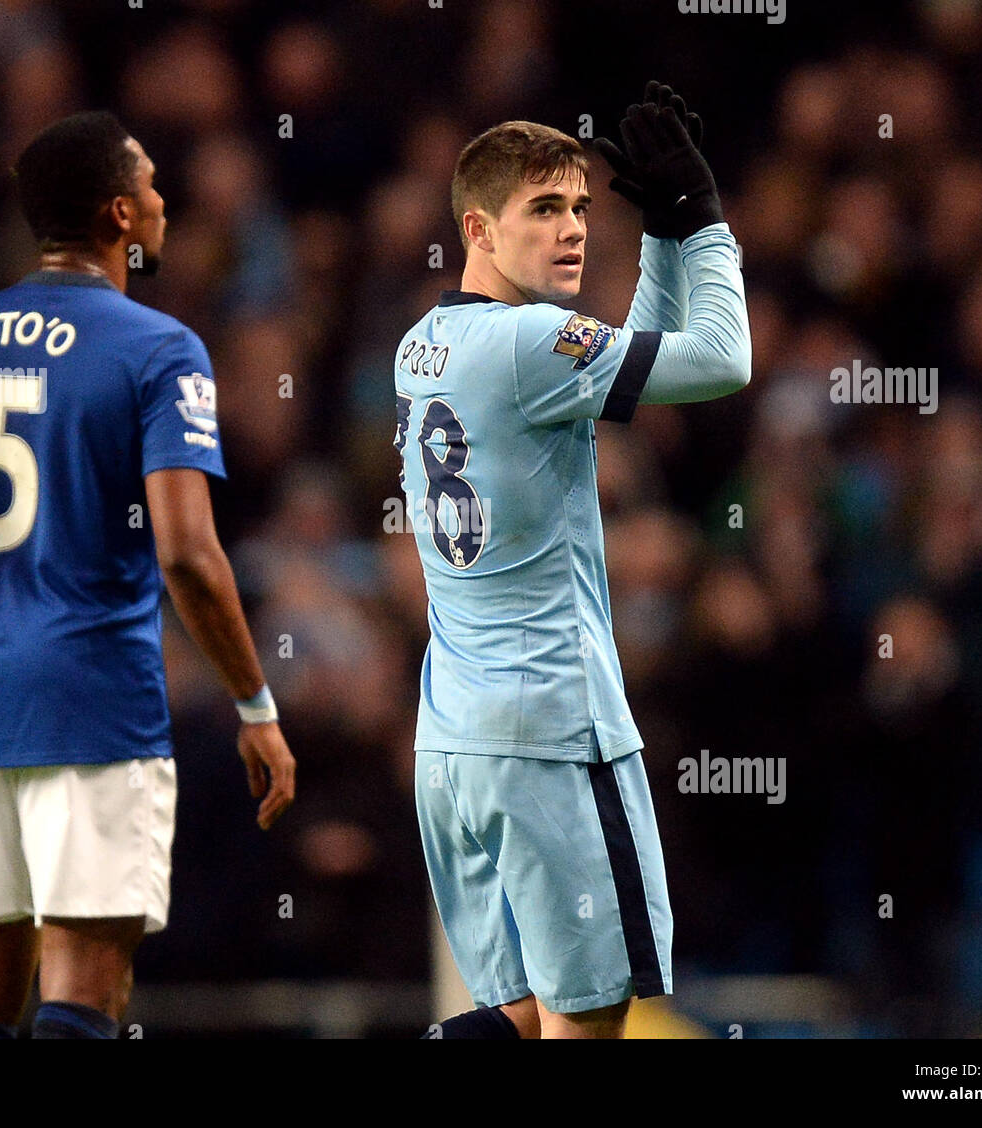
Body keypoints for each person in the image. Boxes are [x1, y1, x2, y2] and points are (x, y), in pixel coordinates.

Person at [0, 111, 295, 1040]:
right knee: (83, 1000)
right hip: (94, 701)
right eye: (149, 183)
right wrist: (255, 704)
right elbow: (186, 550)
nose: (163, 197)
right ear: (119, 215)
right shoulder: (159, 347)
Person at [397, 82, 750, 1039]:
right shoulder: (530, 345)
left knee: (510, 1021)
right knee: (588, 1024)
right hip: (552, 732)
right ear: (478, 227)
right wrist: (708, 223)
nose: (573, 230)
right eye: (543, 210)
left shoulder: (423, 343)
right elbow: (721, 358)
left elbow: (627, 357)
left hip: (455, 742)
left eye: (583, 208)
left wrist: (664, 236)